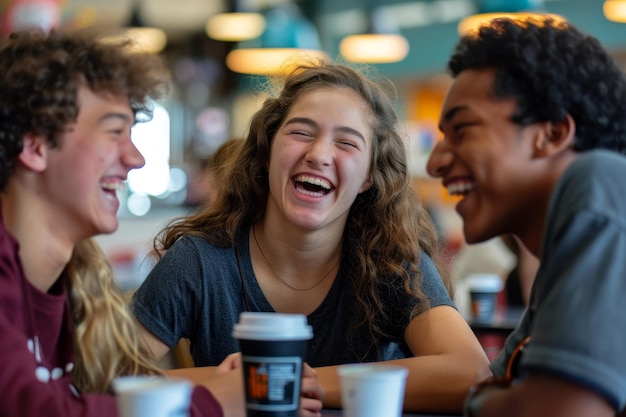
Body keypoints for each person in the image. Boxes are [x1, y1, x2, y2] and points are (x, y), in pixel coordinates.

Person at [132, 59, 491, 413]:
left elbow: (471, 372)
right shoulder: (200, 261)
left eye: (347, 143)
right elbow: (102, 377)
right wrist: (222, 392)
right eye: (301, 132)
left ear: (369, 176)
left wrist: (285, 383)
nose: (319, 154)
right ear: (267, 152)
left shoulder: (390, 262)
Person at [0, 29, 323, 417]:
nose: (135, 158)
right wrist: (212, 400)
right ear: (35, 146)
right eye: (115, 131)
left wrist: (216, 387)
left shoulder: (70, 283)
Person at [426, 15, 626, 417]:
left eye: (462, 129)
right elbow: (489, 388)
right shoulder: (555, 273)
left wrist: (506, 401)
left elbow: (560, 409)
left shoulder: (601, 178)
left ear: (551, 134)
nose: (435, 163)